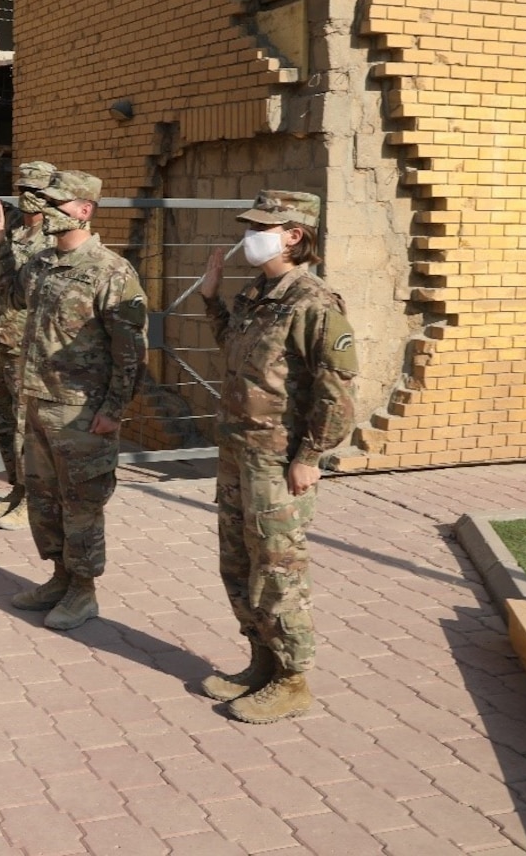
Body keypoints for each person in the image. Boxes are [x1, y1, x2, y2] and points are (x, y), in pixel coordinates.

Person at [198, 189, 358, 724]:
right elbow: (237, 355)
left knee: (278, 567)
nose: (250, 236)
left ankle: (293, 680)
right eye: (250, 226)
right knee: (239, 562)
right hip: (237, 450)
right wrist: (211, 298)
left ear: (294, 235)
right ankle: (262, 660)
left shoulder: (314, 301)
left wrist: (310, 454)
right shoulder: (255, 295)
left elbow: (336, 390)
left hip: (276, 458)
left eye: (262, 226)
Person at [7, 170, 147, 631]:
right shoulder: (42, 264)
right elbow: (8, 293)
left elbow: (132, 351)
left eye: (56, 203)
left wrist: (113, 411)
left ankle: (83, 591)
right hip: (37, 401)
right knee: (44, 500)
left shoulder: (110, 271)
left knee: (81, 502)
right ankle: (59, 577)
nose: (44, 209)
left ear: (84, 210)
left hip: (80, 411)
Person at [0, 160, 56, 531]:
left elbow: (30, 303)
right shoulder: (17, 230)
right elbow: (2, 284)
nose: (29, 198)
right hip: (4, 344)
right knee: (4, 422)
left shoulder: (53, 239)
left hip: (29, 348)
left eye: (37, 192)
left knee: (26, 428)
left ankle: (34, 502)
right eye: (24, 190)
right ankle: (18, 491)